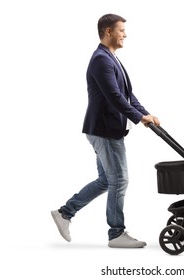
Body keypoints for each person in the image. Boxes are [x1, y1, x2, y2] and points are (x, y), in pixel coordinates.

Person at [51, 13, 160, 248]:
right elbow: (113, 97)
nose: (125, 34)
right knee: (119, 180)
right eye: (121, 30)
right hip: (105, 130)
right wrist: (139, 117)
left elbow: (127, 95)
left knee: (106, 180)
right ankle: (116, 234)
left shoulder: (110, 57)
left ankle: (64, 213)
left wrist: (145, 114)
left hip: (104, 129)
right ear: (108, 32)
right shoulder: (101, 59)